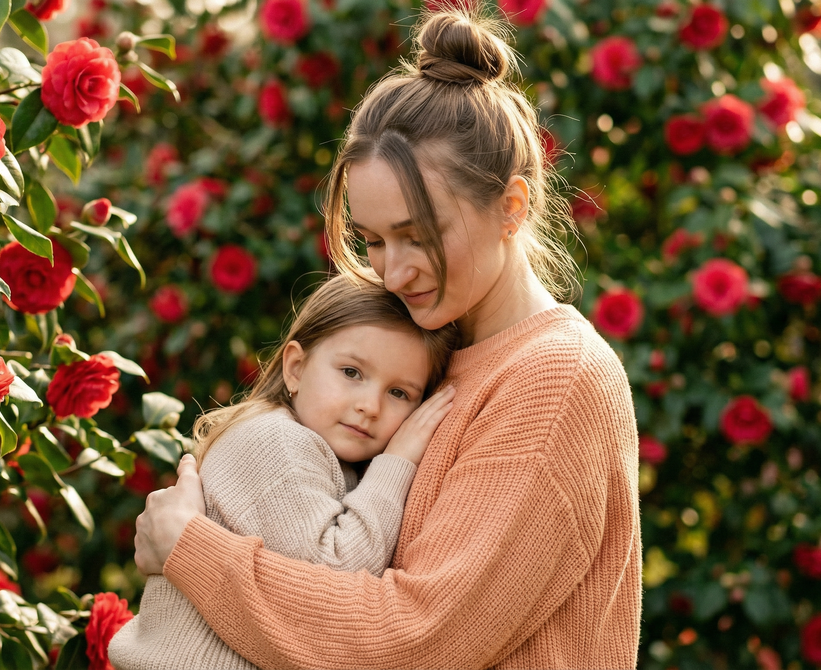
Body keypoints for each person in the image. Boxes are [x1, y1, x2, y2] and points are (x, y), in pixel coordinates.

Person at [131, 5, 642, 668]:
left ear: (511, 208)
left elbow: (412, 639)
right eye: (372, 240)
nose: (393, 273)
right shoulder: (423, 349)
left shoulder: (555, 380)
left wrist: (190, 549)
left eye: (418, 236)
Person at [109, 271, 460, 670]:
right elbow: (339, 573)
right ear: (295, 367)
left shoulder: (326, 452)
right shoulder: (275, 442)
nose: (370, 406)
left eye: (399, 393)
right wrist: (398, 462)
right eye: (351, 372)